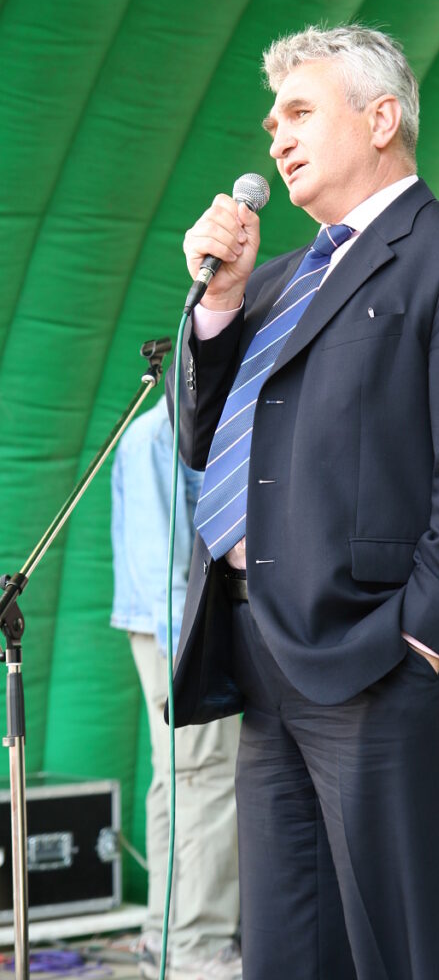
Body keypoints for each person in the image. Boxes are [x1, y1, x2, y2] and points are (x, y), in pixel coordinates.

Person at [167, 25, 439, 980]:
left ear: (381, 119)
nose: (277, 139)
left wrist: (426, 638)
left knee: (416, 950)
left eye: (299, 112)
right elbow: (201, 441)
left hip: (386, 658)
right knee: (290, 953)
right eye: (271, 124)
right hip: (264, 653)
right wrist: (217, 308)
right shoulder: (271, 285)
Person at [111, 397, 242, 980]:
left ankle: (165, 936)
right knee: (206, 779)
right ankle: (197, 944)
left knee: (178, 780)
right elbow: (159, 563)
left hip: (173, 629)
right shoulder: (155, 438)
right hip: (179, 632)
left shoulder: (169, 432)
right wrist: (191, 652)